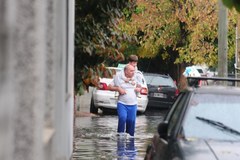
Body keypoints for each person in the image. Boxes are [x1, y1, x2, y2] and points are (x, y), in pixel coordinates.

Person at [108, 64, 141, 136]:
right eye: (131, 71)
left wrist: (139, 89)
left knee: (131, 121)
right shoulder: (119, 78)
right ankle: (120, 136)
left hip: (133, 104)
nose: (133, 72)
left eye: (134, 71)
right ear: (126, 71)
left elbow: (140, 86)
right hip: (122, 104)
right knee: (122, 118)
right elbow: (109, 87)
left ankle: (130, 138)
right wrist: (118, 89)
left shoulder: (136, 77)